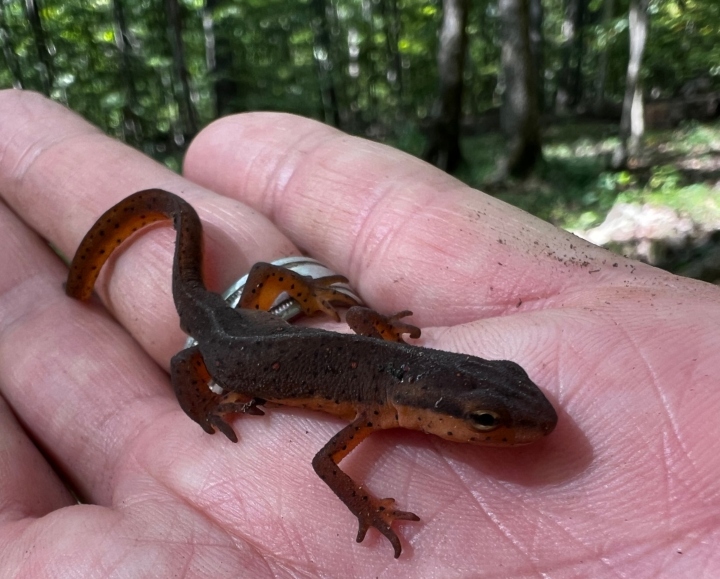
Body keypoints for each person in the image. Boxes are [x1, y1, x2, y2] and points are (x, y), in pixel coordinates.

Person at [0, 89, 717, 577]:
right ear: (427, 409)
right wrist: (210, 404)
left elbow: (365, 327)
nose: (500, 423)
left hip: (256, 317)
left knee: (255, 291)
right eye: (487, 419)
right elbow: (323, 465)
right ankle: (151, 277)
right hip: (225, 343)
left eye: (491, 408)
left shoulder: (389, 365)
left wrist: (323, 300)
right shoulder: (373, 407)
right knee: (200, 355)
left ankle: (243, 276)